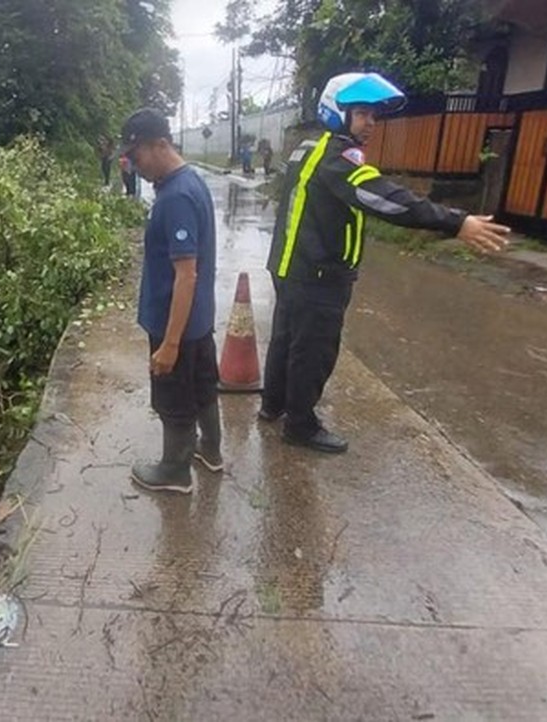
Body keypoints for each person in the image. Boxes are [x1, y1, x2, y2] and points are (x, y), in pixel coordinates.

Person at [260, 72, 511, 454]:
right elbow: (385, 199)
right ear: (336, 112)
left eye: (374, 116)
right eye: (361, 114)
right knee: (314, 351)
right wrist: (456, 222)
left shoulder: (307, 147)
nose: (371, 124)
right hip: (319, 273)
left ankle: (273, 405)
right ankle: (300, 425)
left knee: (286, 341)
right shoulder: (337, 160)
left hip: (289, 265)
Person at [118, 107, 220, 495]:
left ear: (161, 144)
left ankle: (175, 470)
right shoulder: (190, 181)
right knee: (203, 386)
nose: (135, 165)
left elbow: (186, 274)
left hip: (176, 324)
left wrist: (169, 344)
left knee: (174, 397)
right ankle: (210, 450)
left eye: (137, 155)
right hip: (198, 320)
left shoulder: (175, 196)